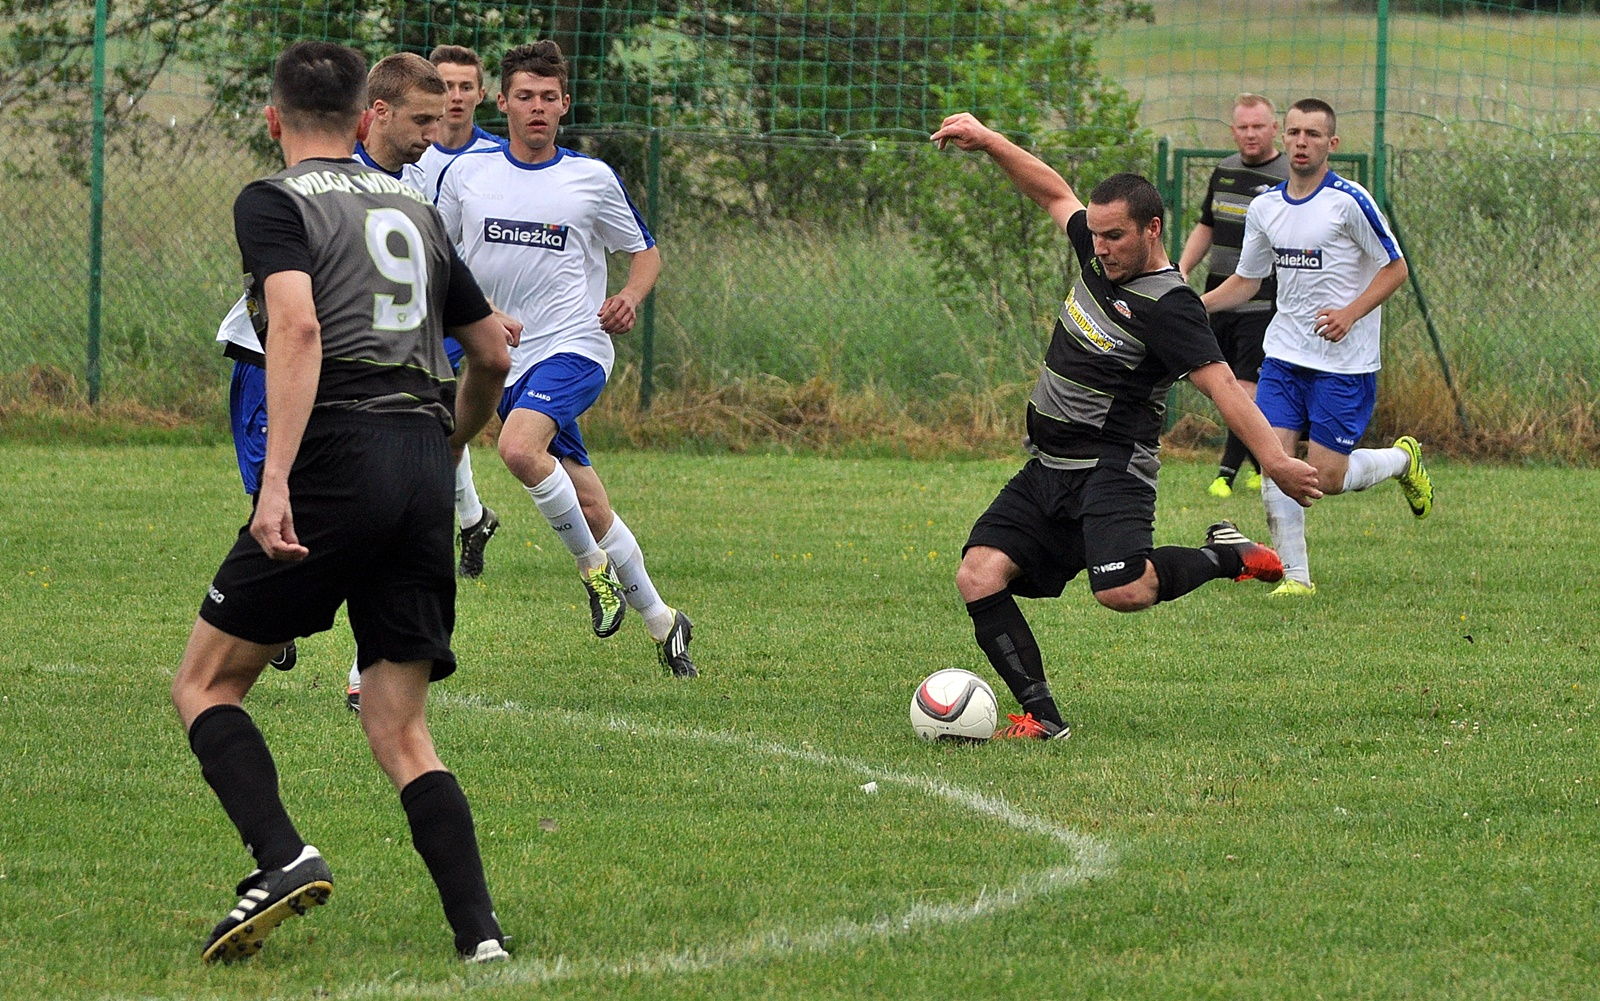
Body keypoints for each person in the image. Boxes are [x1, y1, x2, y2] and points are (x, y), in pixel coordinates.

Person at [171, 40, 516, 964]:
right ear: (364, 114)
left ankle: (282, 857)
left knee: (204, 682)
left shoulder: (272, 200)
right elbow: (490, 352)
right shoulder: (415, 203)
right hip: (416, 456)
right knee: (400, 724)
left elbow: (297, 323)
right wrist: (447, 443)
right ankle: (481, 935)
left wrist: (275, 479)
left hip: (338, 449)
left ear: (274, 117)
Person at [928, 112, 1323, 740]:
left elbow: (1224, 387)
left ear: (1152, 229)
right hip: (1049, 467)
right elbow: (1052, 192)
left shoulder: (1171, 307)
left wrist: (1274, 461)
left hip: (1113, 467)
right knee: (978, 574)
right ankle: (1043, 717)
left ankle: (1224, 558)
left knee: (1123, 591)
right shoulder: (1100, 251)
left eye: (1114, 236)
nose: (1100, 245)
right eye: (1098, 233)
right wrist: (990, 140)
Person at [436, 40, 698, 678]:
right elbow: (436, 258)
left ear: (564, 106)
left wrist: (631, 297)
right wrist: (478, 316)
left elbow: (645, 252)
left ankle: (593, 571)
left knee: (520, 450)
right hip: (505, 358)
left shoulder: (590, 178)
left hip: (577, 345)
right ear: (503, 102)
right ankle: (666, 623)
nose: (536, 108)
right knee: (588, 502)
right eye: (523, 96)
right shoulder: (468, 176)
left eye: (548, 98)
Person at [1201, 98, 1432, 598]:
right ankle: (1296, 578)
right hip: (1284, 354)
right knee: (1276, 461)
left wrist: (1350, 313)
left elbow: (1396, 268)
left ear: (1332, 144)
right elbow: (1247, 280)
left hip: (1345, 364)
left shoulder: (1349, 202)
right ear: (1284, 140)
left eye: (1312, 134)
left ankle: (1401, 462)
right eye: (1294, 133)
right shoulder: (1266, 207)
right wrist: (1196, 308)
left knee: (1325, 477)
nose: (1301, 142)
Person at [340, 51, 514, 713]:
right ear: (376, 112)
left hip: (386, 388)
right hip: (283, 370)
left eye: (441, 119)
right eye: (422, 120)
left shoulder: (414, 197)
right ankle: (265, 626)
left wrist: (481, 315)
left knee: (385, 517)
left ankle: (366, 669)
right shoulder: (333, 183)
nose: (434, 135)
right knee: (293, 521)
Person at [1177, 94, 1289, 499]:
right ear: (1233, 131)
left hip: (1262, 300)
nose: (1250, 134)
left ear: (1274, 128)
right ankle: (1262, 463)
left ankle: (1225, 473)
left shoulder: (1288, 174)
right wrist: (1183, 268)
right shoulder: (1224, 170)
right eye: (1243, 127)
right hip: (1218, 297)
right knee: (1225, 386)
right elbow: (1206, 225)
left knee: (1244, 389)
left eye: (1258, 126)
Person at [416, 44, 506, 201]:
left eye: (466, 87)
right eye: (447, 86)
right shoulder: (410, 152)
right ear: (430, 92)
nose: (457, 97)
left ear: (480, 95)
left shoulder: (500, 155)